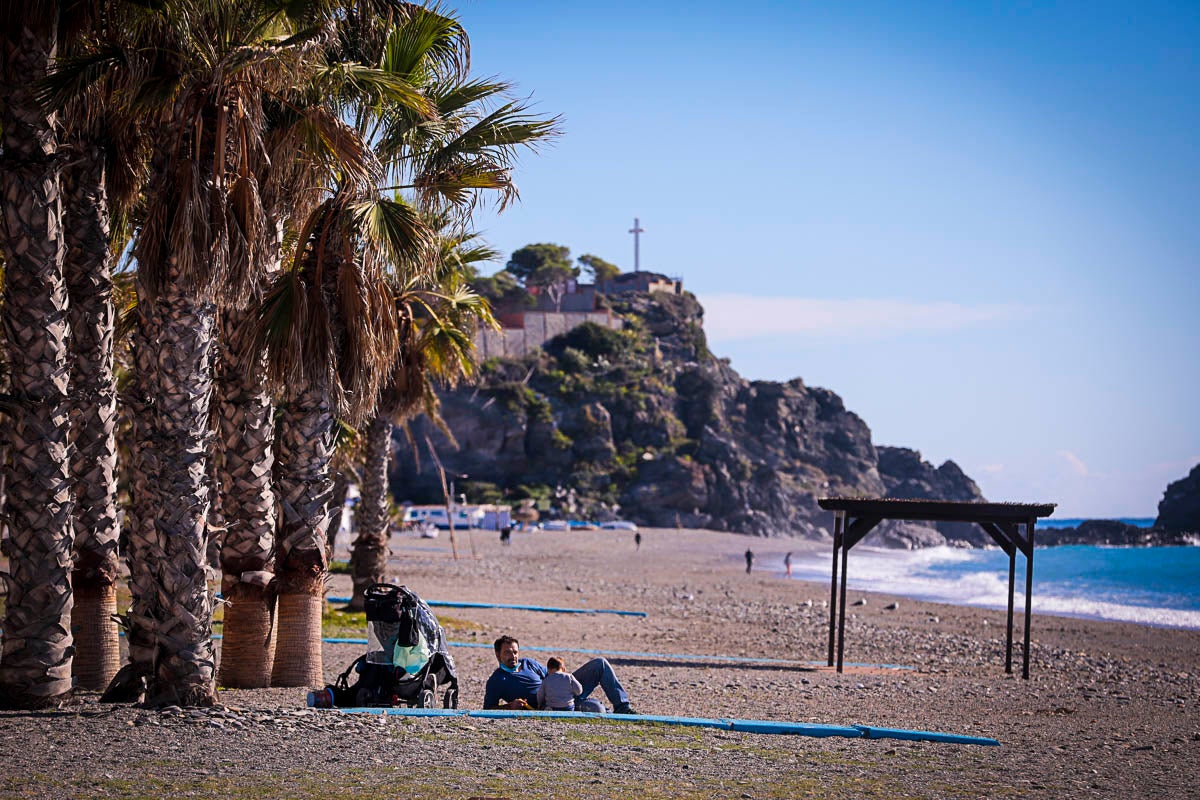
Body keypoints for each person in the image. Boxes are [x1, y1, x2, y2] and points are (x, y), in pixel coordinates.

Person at [483, 635, 637, 714]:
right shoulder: (497, 680)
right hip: (549, 706)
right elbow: (487, 709)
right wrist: (510, 706)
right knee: (597, 709)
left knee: (600, 663)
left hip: (565, 692)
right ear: (498, 655)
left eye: (515, 652)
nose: (513, 656)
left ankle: (623, 707)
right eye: (507, 653)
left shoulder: (528, 663)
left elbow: (552, 675)